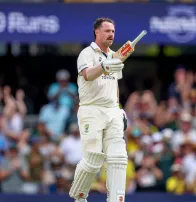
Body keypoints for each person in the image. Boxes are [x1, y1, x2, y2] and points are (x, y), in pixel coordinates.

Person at [69, 17, 128, 202]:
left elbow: (114, 86)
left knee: (118, 156)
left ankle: (116, 199)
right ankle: (79, 196)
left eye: (113, 31)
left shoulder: (114, 56)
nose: (111, 34)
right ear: (97, 32)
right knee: (93, 159)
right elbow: (87, 75)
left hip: (112, 110)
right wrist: (103, 66)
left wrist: (119, 109)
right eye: (107, 31)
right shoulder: (87, 53)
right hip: (91, 109)